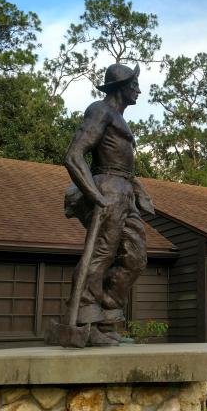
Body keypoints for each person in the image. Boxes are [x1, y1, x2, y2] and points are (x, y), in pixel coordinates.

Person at [63, 63, 154, 346]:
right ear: (121, 87)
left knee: (135, 257)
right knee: (101, 254)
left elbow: (123, 164)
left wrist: (139, 190)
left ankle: (105, 318)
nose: (138, 89)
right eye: (134, 84)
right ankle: (86, 323)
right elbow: (74, 155)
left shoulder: (119, 118)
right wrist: (94, 195)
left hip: (124, 191)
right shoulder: (100, 110)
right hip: (107, 189)